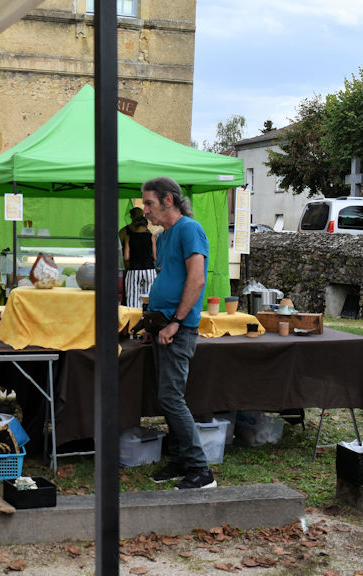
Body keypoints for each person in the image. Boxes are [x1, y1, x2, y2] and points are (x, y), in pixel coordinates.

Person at [140, 176, 216, 490]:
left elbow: (196, 280)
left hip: (178, 329)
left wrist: (176, 322)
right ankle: (181, 460)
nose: (145, 210)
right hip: (163, 326)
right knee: (167, 397)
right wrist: (152, 324)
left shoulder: (189, 229)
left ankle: (201, 471)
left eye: (149, 203)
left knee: (171, 398)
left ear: (169, 200)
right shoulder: (168, 234)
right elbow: (170, 279)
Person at [122, 206, 157, 309]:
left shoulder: (128, 236)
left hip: (134, 270)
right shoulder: (151, 236)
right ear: (146, 226)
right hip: (149, 270)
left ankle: (134, 321)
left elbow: (126, 257)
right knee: (149, 298)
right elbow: (155, 257)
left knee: (132, 299)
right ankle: (148, 320)